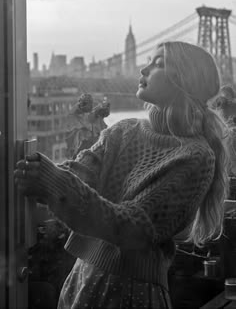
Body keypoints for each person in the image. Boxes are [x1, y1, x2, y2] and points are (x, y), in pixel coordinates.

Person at [15, 41, 230, 309]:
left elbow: (132, 227)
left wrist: (49, 180)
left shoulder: (196, 157)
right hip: (82, 277)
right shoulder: (123, 131)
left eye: (158, 64)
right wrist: (33, 171)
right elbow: (80, 173)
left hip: (132, 293)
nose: (144, 68)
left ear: (185, 80)